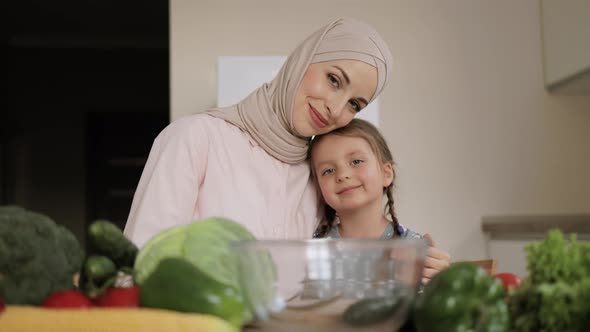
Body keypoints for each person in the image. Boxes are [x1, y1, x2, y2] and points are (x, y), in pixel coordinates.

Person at [123, 17, 450, 280]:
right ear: (304, 58)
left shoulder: (318, 175)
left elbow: (355, 256)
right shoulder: (195, 137)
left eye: (354, 104)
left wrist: (432, 270)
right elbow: (136, 268)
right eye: (334, 79)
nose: (335, 108)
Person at [309, 118, 450, 284]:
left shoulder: (415, 251)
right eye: (328, 170)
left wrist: (443, 282)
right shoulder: (313, 251)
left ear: (386, 173)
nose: (342, 175)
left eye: (356, 162)